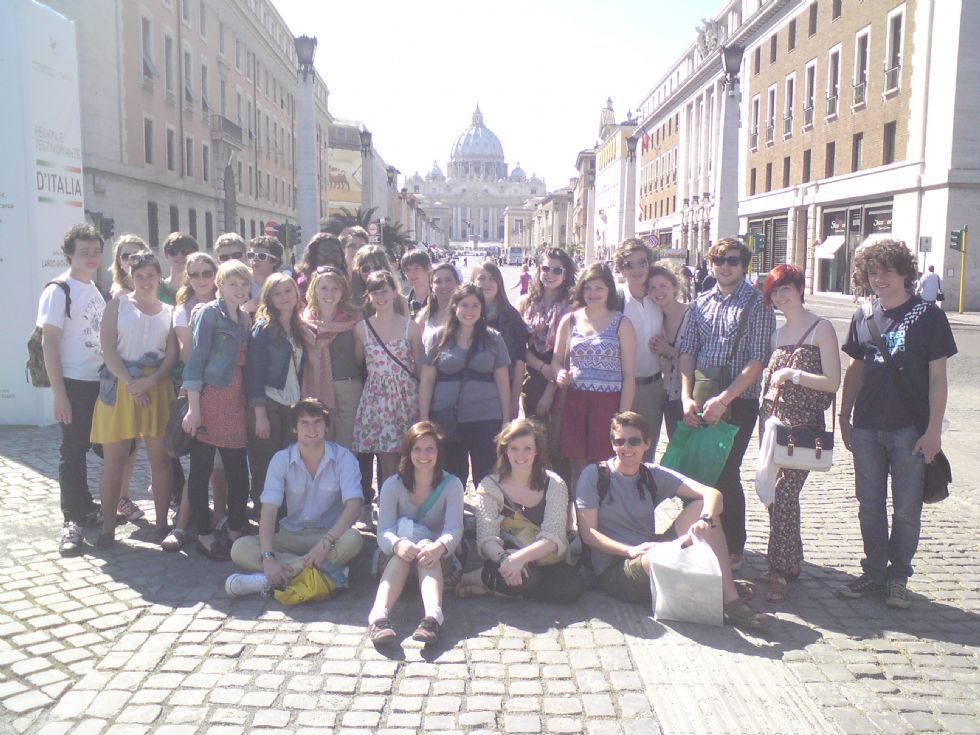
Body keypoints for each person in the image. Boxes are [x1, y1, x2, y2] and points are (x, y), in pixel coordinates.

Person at [837, 239, 956, 608]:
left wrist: (934, 430)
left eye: (887, 271)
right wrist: (844, 415)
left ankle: (898, 576)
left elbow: (938, 378)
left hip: (910, 429)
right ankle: (873, 571)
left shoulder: (928, 316)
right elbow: (855, 368)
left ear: (905, 273)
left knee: (906, 508)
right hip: (867, 426)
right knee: (868, 504)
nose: (879, 279)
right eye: (872, 272)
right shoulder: (864, 316)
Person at [576, 412, 767, 629]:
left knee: (702, 509)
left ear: (647, 444)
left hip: (650, 549)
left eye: (634, 441)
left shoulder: (651, 474)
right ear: (612, 445)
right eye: (619, 441)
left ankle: (730, 600)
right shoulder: (595, 475)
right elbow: (588, 534)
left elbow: (713, 495)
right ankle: (710, 589)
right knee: (659, 556)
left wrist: (705, 519)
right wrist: (630, 550)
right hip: (616, 568)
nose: (626, 448)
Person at [678, 238, 776, 570]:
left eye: (732, 260)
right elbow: (687, 352)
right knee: (697, 469)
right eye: (719, 260)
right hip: (702, 396)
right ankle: (702, 532)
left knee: (726, 470)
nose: (725, 266)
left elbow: (758, 359)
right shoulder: (699, 302)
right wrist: (685, 396)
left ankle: (734, 542)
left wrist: (726, 398)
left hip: (740, 401)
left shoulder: (758, 303)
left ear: (744, 264)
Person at [757, 265, 840, 602]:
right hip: (773, 423)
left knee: (784, 492)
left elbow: (833, 382)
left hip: (803, 426)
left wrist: (794, 374)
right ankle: (791, 561)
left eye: (785, 288)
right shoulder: (777, 335)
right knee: (773, 495)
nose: (780, 296)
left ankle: (778, 569)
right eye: (775, 291)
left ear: (800, 288)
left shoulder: (822, 329)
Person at [225, 398, 364, 598]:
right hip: (290, 534)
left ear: (326, 427)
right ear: (294, 429)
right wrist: (268, 558)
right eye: (304, 423)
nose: (312, 429)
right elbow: (269, 510)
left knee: (353, 540)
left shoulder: (344, 458)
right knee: (240, 549)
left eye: (317, 422)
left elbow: (354, 506)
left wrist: (326, 542)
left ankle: (269, 580)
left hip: (329, 535)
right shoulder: (281, 460)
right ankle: (323, 571)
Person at [90, 253, 177, 548]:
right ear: (130, 277)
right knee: (114, 460)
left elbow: (172, 354)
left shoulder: (170, 310)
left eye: (150, 275)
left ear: (158, 276)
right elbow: (108, 349)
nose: (145, 281)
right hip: (121, 384)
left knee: (160, 460)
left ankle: (163, 523)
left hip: (155, 387)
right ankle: (108, 527)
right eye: (138, 275)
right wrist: (131, 384)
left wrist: (149, 382)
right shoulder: (117, 305)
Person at [456, 419, 583, 603]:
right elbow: (486, 538)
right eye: (513, 448)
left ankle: (490, 587)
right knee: (527, 580)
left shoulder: (555, 484)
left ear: (537, 451)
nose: (520, 455)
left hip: (544, 557)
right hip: (505, 555)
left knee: (571, 588)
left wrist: (521, 558)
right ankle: (479, 578)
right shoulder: (490, 486)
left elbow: (553, 536)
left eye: (527, 448)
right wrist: (507, 560)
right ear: (504, 450)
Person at [38, 224, 107, 556]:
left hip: (99, 381)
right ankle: (72, 520)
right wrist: (59, 393)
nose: (92, 257)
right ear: (69, 254)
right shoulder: (58, 290)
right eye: (85, 252)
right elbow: (49, 343)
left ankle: (88, 506)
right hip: (74, 383)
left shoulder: (93, 287)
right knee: (73, 451)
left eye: (96, 251)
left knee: (101, 447)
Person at [366, 422, 464, 645]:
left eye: (430, 449)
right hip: (396, 560)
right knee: (403, 551)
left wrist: (438, 547)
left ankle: (432, 618)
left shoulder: (452, 485)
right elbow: (384, 531)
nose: (423, 455)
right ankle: (378, 617)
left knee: (428, 544)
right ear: (408, 452)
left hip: (437, 562)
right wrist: (398, 544)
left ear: (439, 453)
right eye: (417, 449)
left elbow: (454, 529)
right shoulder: (392, 485)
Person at [181, 259, 253, 560]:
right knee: (200, 472)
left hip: (234, 401)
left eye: (243, 284)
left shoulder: (244, 319)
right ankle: (205, 535)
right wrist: (193, 408)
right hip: (210, 398)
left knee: (239, 475)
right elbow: (195, 360)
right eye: (232, 283)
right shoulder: (209, 313)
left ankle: (235, 529)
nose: (238, 289)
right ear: (220, 285)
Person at [162, 252, 227, 552]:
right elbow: (191, 355)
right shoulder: (182, 309)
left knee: (223, 463)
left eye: (206, 272)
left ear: (215, 274)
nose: (202, 279)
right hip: (199, 389)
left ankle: (221, 516)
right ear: (188, 277)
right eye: (195, 274)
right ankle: (181, 524)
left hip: (228, 392)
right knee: (200, 465)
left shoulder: (229, 300)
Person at [552, 263, 636, 488]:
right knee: (577, 466)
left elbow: (629, 375)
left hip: (609, 403)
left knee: (606, 464)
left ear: (609, 290)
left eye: (599, 288)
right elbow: (556, 360)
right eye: (588, 288)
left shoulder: (622, 323)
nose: (593, 294)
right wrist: (559, 373)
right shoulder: (570, 321)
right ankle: (581, 518)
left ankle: (604, 517)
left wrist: (623, 416)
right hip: (576, 400)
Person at [420, 284, 512, 488]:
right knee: (450, 475)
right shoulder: (437, 337)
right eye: (464, 305)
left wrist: (507, 419)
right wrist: (424, 417)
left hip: (486, 416)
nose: (469, 311)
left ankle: (486, 517)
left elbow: (503, 380)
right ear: (454, 307)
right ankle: (453, 516)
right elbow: (427, 380)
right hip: (446, 416)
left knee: (488, 474)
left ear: (482, 309)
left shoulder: (493, 339)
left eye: (475, 306)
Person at [352, 271, 423, 485]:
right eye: (375, 292)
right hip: (378, 399)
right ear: (369, 296)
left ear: (394, 292)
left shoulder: (411, 327)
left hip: (407, 397)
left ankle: (410, 504)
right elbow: (358, 363)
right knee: (386, 461)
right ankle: (389, 505)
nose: (380, 297)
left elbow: (419, 367)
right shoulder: (361, 328)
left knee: (411, 456)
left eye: (384, 291)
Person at [245, 274, 308, 512]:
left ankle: (284, 514)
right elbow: (254, 373)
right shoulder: (264, 328)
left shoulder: (298, 327)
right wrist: (259, 415)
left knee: (289, 462)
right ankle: (264, 514)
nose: (284, 297)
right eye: (278, 293)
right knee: (267, 464)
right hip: (269, 404)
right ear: (269, 298)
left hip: (292, 404)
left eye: (288, 291)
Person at [612, 239, 665, 459]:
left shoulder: (659, 296)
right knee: (619, 448)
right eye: (628, 264)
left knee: (647, 449)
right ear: (620, 269)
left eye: (641, 263)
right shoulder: (616, 298)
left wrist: (667, 347)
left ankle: (644, 491)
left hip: (652, 386)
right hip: (621, 387)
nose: (636, 270)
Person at [301, 266, 362, 449]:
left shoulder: (355, 318)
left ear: (343, 291)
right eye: (324, 288)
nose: (330, 293)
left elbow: (361, 355)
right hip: (315, 386)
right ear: (314, 290)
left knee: (346, 446)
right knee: (321, 445)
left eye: (335, 288)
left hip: (349, 387)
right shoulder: (303, 321)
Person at [518, 248, 576, 422]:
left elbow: (570, 352)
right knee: (534, 432)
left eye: (557, 270)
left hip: (562, 376)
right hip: (533, 373)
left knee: (557, 437)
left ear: (565, 274)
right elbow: (519, 346)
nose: (550, 274)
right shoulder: (525, 302)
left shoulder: (573, 305)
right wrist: (542, 368)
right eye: (545, 269)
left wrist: (550, 390)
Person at [472, 261, 528, 420]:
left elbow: (520, 360)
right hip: (471, 391)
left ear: (499, 283)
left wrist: (515, 399)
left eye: (492, 279)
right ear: (473, 282)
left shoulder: (512, 316)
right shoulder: (464, 314)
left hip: (502, 390)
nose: (487, 284)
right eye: (481, 278)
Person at [648, 264, 692, 440]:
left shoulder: (692, 313)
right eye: (652, 287)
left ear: (675, 287)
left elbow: (700, 355)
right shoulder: (656, 319)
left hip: (692, 393)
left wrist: (669, 350)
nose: (658, 291)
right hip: (669, 393)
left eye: (663, 285)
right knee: (676, 444)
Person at [417, 262, 461, 343]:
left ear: (457, 283)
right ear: (431, 285)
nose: (443, 285)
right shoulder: (424, 316)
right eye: (438, 281)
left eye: (448, 280)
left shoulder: (466, 314)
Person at [295, 232, 345, 300]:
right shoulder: (301, 286)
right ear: (313, 256)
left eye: (335, 253)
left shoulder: (347, 283)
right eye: (324, 253)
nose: (330, 257)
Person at [244, 235, 285, 314]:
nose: (255, 259)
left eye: (262, 256)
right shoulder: (241, 283)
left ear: (275, 261)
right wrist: (243, 310)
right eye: (251, 255)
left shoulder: (282, 284)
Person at [159, 232, 198, 305]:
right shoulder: (157, 290)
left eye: (185, 251)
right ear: (166, 255)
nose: (179, 256)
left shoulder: (201, 287)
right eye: (173, 252)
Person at [401, 249, 432, 318]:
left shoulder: (440, 299)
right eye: (408, 270)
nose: (412, 273)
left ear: (428, 268)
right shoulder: (404, 303)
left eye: (417, 268)